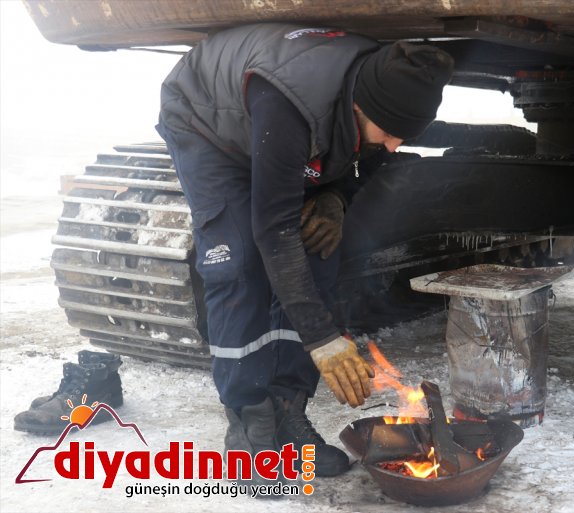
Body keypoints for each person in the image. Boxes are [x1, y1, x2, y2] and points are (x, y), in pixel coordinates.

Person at [156, 23, 453, 479]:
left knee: (318, 247)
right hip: (209, 127)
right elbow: (272, 229)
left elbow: (365, 160)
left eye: (404, 136)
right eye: (391, 132)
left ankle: (287, 410)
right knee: (239, 262)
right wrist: (322, 339)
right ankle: (249, 428)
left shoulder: (381, 92)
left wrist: (336, 198)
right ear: (359, 106)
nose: (395, 145)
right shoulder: (290, 104)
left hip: (287, 136)